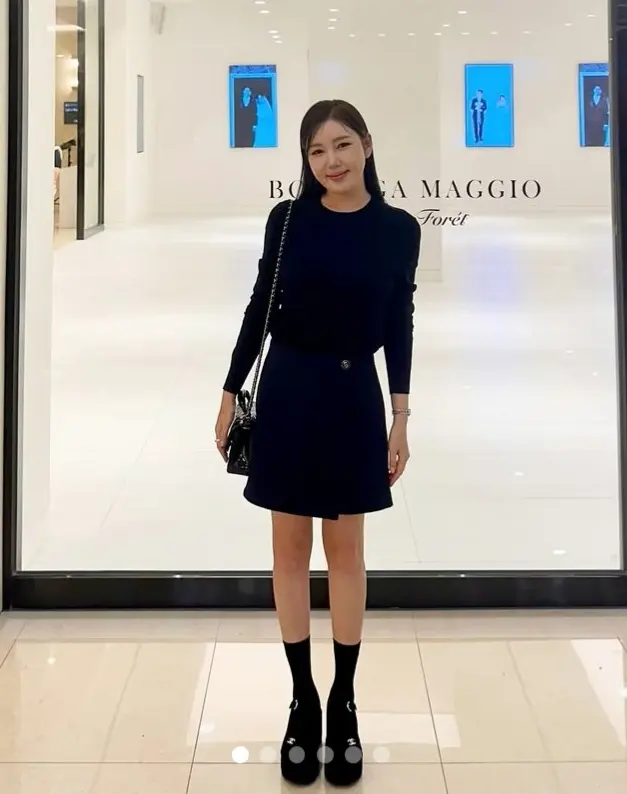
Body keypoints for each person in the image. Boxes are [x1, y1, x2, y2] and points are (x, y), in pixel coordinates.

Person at [215, 99, 421, 787]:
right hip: (288, 390)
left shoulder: (397, 229)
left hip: (353, 394)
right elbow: (259, 308)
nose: (331, 161)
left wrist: (400, 415)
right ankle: (302, 698)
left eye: (342, 145)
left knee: (347, 553)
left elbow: (398, 322)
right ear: (305, 161)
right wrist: (229, 388)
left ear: (367, 145)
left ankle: (344, 700)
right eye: (316, 151)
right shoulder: (289, 220)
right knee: (288, 551)